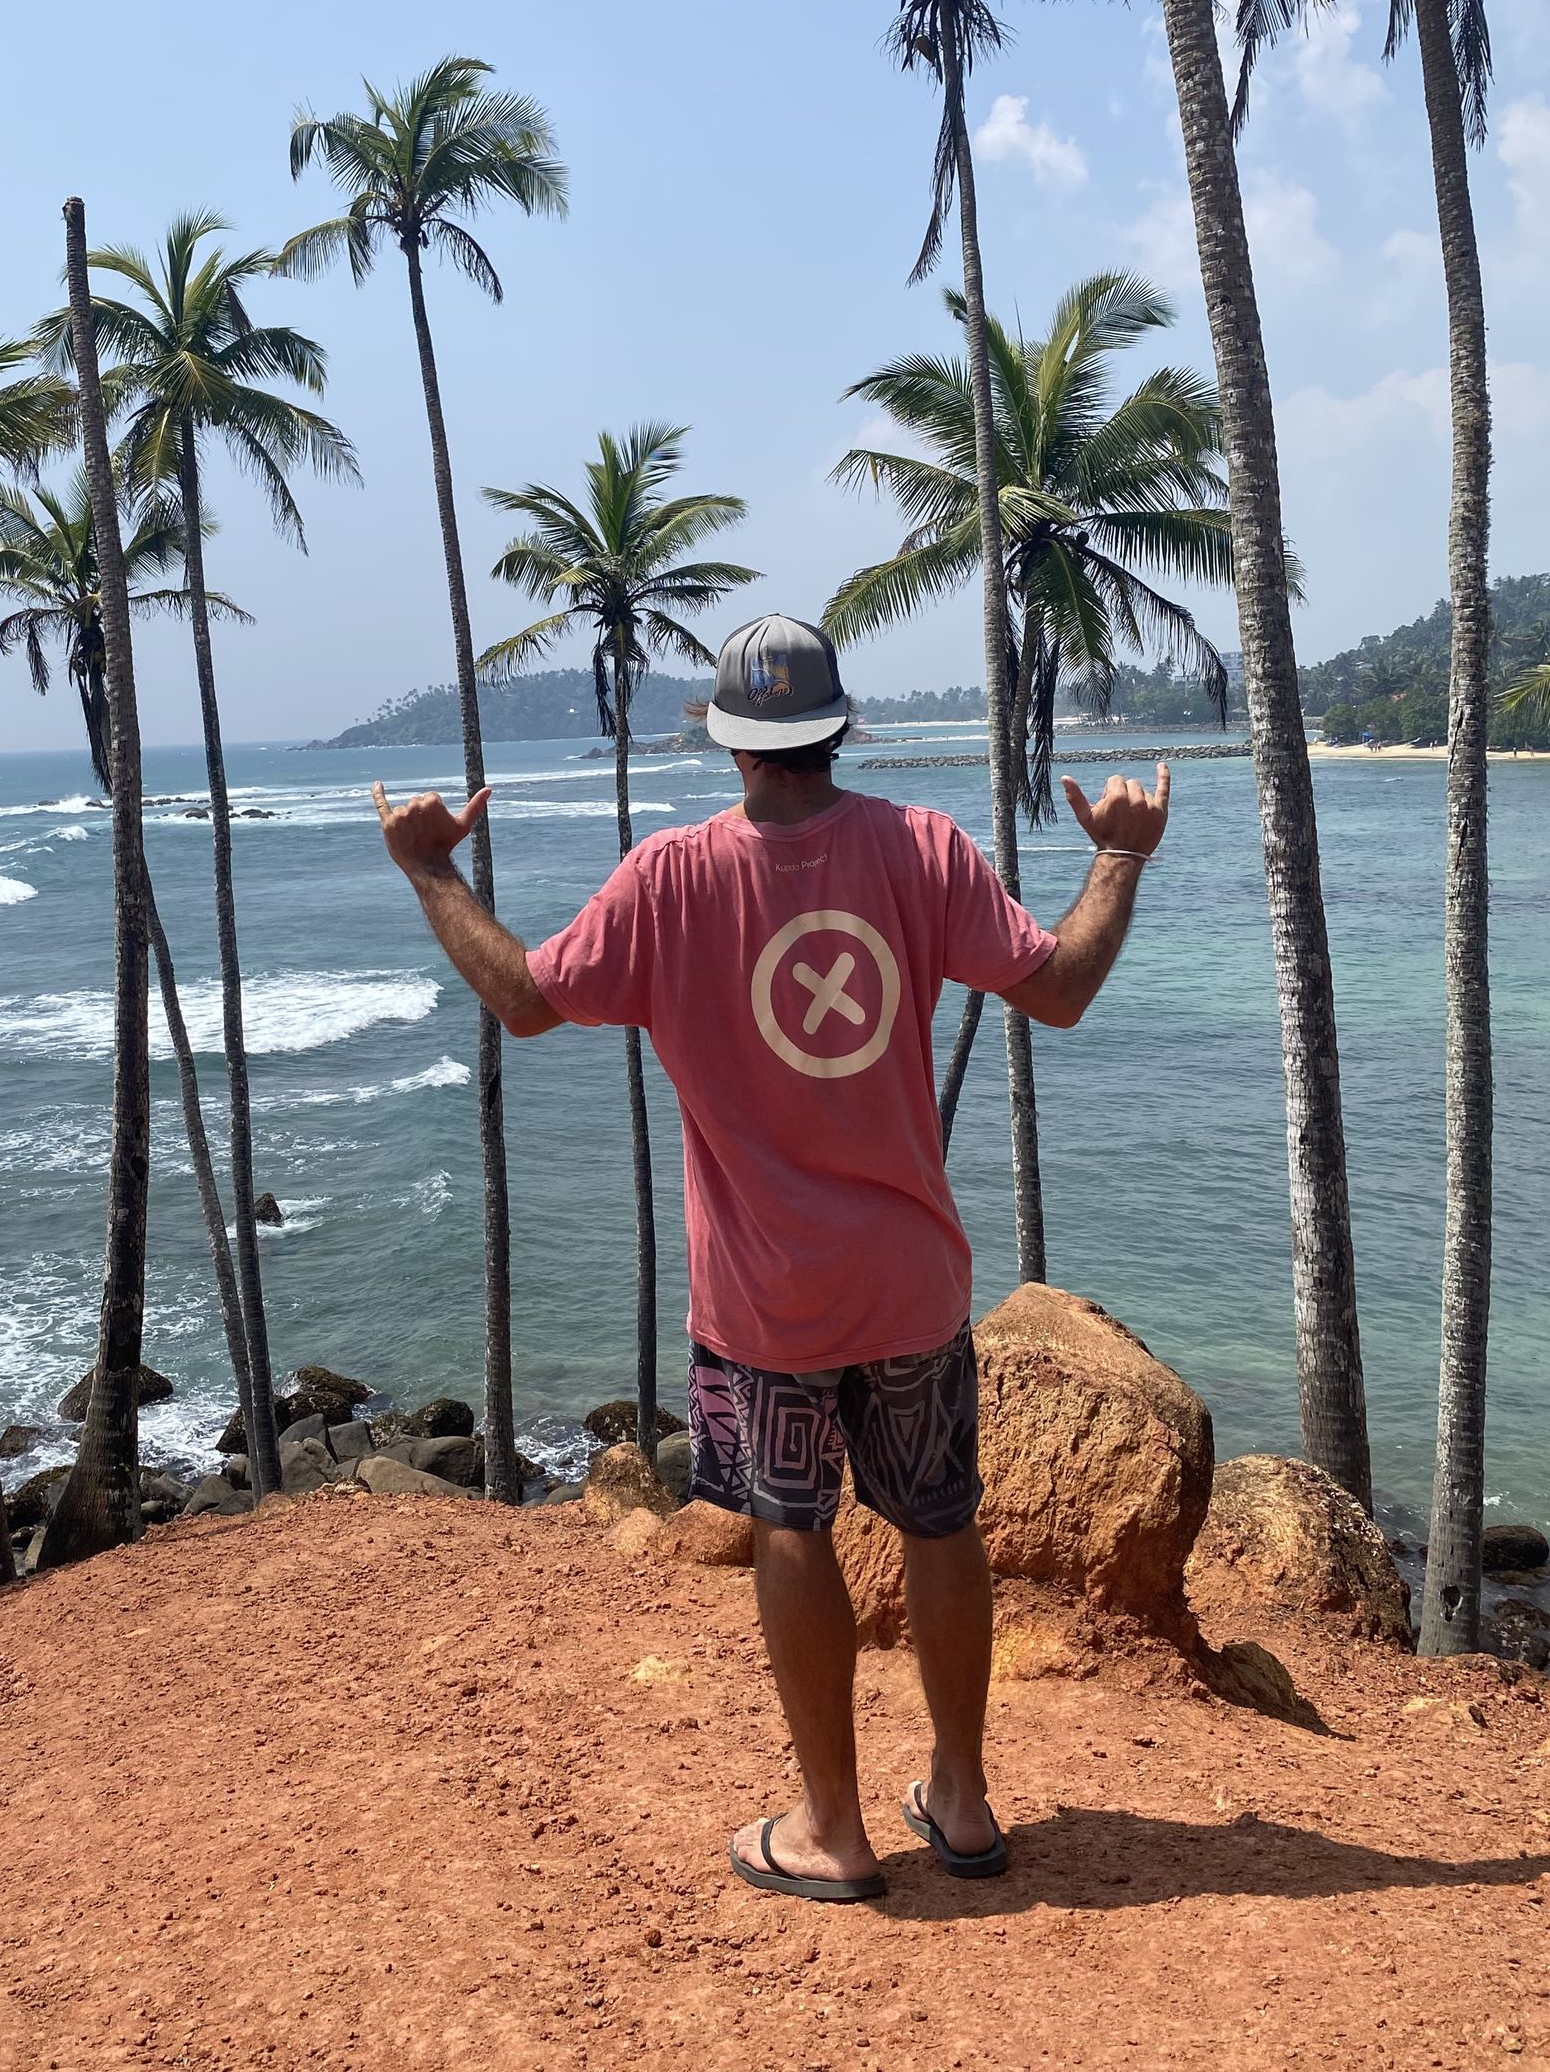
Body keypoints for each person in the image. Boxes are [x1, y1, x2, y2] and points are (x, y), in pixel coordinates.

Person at [371, 611, 1169, 1904]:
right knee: (940, 1519)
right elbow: (1060, 987)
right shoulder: (924, 849)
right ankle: (961, 1805)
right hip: (912, 1285)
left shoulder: (667, 878)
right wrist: (1122, 859)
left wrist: (431, 875)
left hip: (763, 1306)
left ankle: (835, 1832)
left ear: (732, 745)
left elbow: (523, 1000)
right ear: (838, 730)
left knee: (791, 1527)